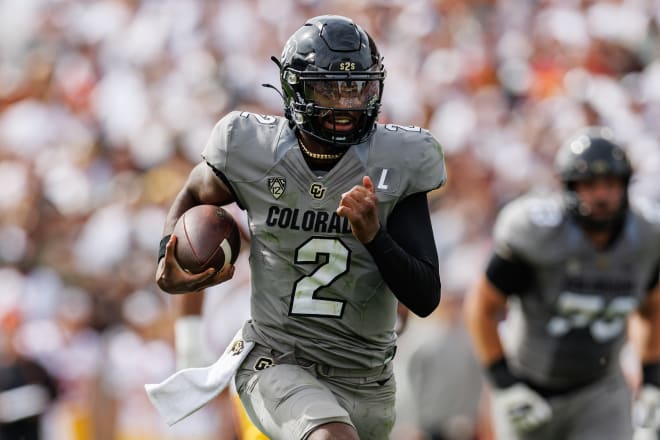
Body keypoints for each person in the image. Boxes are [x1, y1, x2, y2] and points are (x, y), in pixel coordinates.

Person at [154, 14, 446, 440]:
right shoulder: (250, 147)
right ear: (297, 88)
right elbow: (195, 193)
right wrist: (168, 250)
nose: (346, 104)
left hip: (366, 380)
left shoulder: (398, 161)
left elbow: (425, 296)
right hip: (277, 360)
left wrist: (374, 236)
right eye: (330, 88)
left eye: (356, 87)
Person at [463, 127, 660, 440]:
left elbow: (652, 310)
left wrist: (652, 380)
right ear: (569, 186)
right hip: (530, 388)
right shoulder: (538, 234)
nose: (602, 195)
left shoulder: (645, 238)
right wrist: (505, 384)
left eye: (611, 183)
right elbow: (481, 308)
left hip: (600, 390)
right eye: (590, 184)